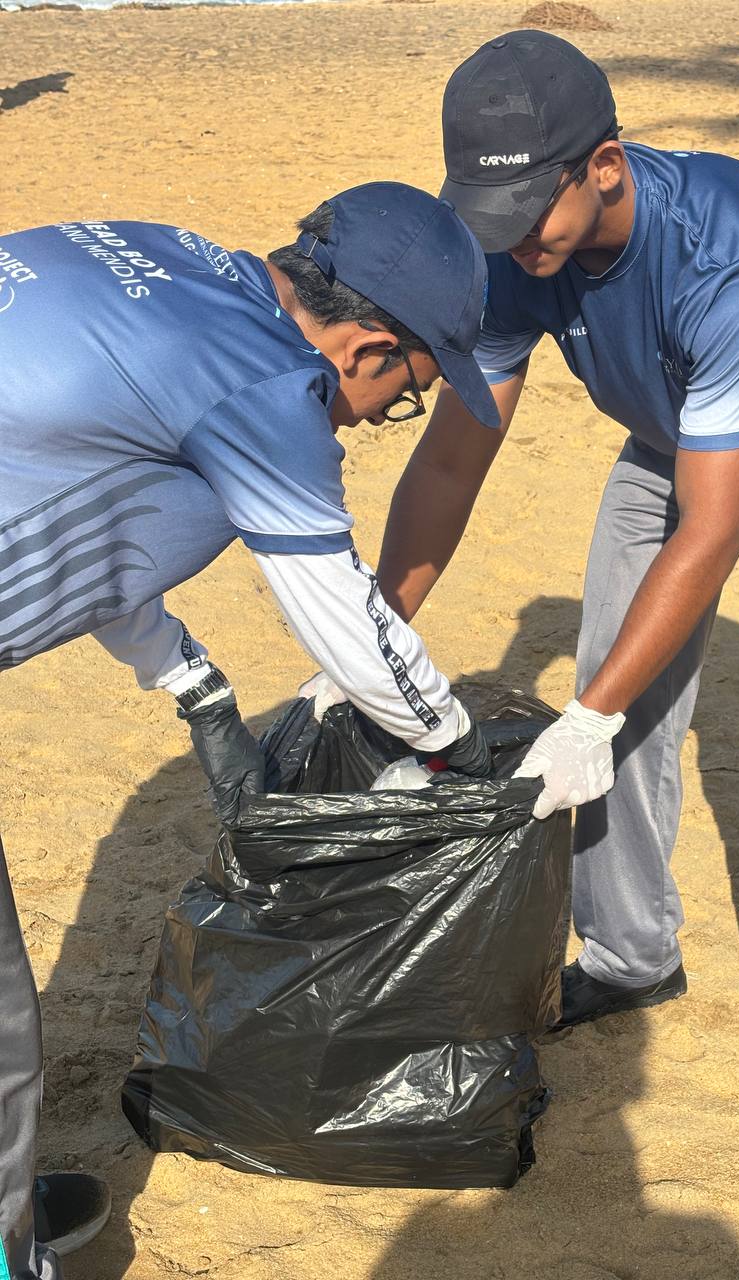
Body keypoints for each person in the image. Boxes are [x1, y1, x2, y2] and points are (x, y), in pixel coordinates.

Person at [376, 30, 739, 1111]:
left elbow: (711, 532)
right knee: (627, 694)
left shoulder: (728, 259)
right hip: (674, 432)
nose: (511, 246)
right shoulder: (520, 249)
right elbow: (455, 451)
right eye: (490, 222)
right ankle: (630, 954)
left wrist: (589, 713)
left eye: (529, 218)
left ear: (604, 165)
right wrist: (373, 634)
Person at [0, 181, 498, 1279]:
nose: (372, 421)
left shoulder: (168, 257)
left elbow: (80, 504)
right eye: (402, 395)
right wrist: (458, 752)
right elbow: (346, 619)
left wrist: (192, 682)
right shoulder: (271, 383)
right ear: (366, 344)